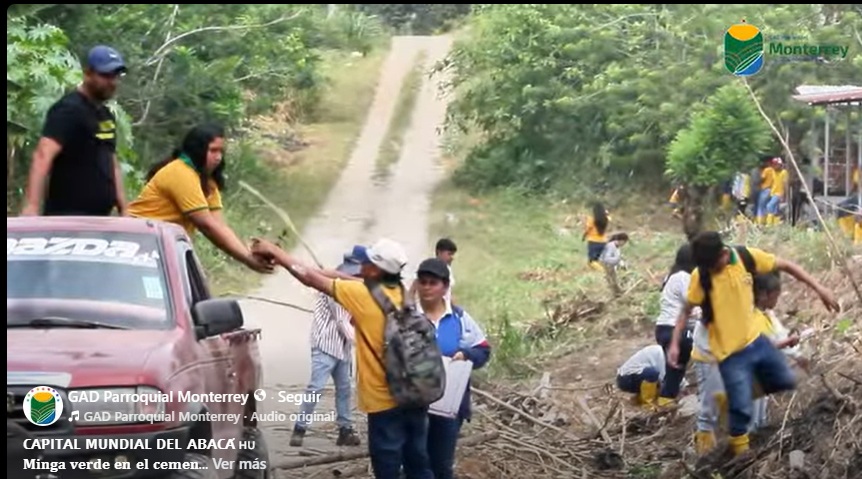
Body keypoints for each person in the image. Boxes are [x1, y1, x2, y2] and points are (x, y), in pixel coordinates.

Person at [249, 237, 434, 479]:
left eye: (368, 262)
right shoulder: (403, 294)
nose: (363, 265)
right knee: (418, 463)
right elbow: (349, 280)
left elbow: (309, 278)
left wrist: (276, 252)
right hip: (416, 397)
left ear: (376, 269)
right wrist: (332, 272)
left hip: (384, 403)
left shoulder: (362, 295)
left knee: (387, 468)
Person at [668, 231, 839, 456]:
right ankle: (707, 457)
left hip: (743, 346)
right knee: (708, 413)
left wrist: (820, 289)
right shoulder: (701, 275)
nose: (710, 271)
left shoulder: (745, 258)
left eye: (713, 266)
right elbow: (686, 310)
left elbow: (787, 266)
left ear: (724, 254)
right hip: (710, 351)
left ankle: (740, 448)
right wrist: (674, 343)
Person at [127, 124, 272, 273]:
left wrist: (248, 253)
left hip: (162, 244)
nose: (218, 157)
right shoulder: (180, 173)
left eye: (221, 151)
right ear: (198, 150)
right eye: (213, 151)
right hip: (136, 241)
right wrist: (247, 259)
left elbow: (219, 225)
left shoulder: (207, 181)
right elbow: (207, 225)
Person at [690, 271, 806, 454]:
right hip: (709, 356)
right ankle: (706, 452)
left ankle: (748, 439)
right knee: (710, 407)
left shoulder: (756, 311)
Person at [20, 45, 129, 217]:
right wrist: (31, 206)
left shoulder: (105, 115)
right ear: (88, 73)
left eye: (115, 76)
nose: (112, 82)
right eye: (105, 75)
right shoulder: (68, 110)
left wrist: (124, 208)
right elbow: (43, 155)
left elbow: (111, 160)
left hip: (100, 217)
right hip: (68, 216)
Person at [413, 258, 490, 479]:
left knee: (441, 465)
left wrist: (466, 354)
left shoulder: (459, 319)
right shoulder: (407, 318)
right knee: (414, 462)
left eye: (433, 283)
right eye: (423, 282)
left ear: (445, 286)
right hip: (412, 406)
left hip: (448, 409)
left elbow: (483, 350)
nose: (427, 287)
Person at [289, 247, 365, 448]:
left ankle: (345, 430)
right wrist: (365, 343)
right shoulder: (335, 290)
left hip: (342, 348)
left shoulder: (353, 291)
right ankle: (299, 429)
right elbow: (342, 322)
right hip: (325, 345)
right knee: (316, 388)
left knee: (344, 389)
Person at [654, 244, 699, 407]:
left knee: (674, 370)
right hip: (674, 329)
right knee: (677, 369)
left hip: (663, 327)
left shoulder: (672, 276)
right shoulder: (683, 277)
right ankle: (666, 401)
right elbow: (692, 305)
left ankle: (667, 399)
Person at [583, 202, 611, 270]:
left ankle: (602, 271)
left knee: (591, 261)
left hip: (593, 242)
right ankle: (603, 269)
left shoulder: (591, 220)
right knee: (598, 260)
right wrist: (606, 213)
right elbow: (609, 217)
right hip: (603, 241)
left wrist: (584, 236)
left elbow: (587, 229)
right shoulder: (606, 219)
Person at [765, 158, 788, 226]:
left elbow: (785, 184)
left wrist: (784, 195)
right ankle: (775, 224)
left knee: (769, 206)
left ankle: (769, 224)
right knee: (775, 209)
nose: (774, 166)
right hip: (773, 192)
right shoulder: (773, 172)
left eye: (776, 164)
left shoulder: (784, 172)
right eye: (773, 164)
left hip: (779, 193)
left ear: (780, 165)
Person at [756, 157, 777, 225]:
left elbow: (762, 179)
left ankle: (760, 222)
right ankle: (768, 222)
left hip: (765, 190)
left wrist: (758, 182)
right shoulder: (774, 170)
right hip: (772, 190)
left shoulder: (767, 170)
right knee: (767, 207)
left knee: (760, 207)